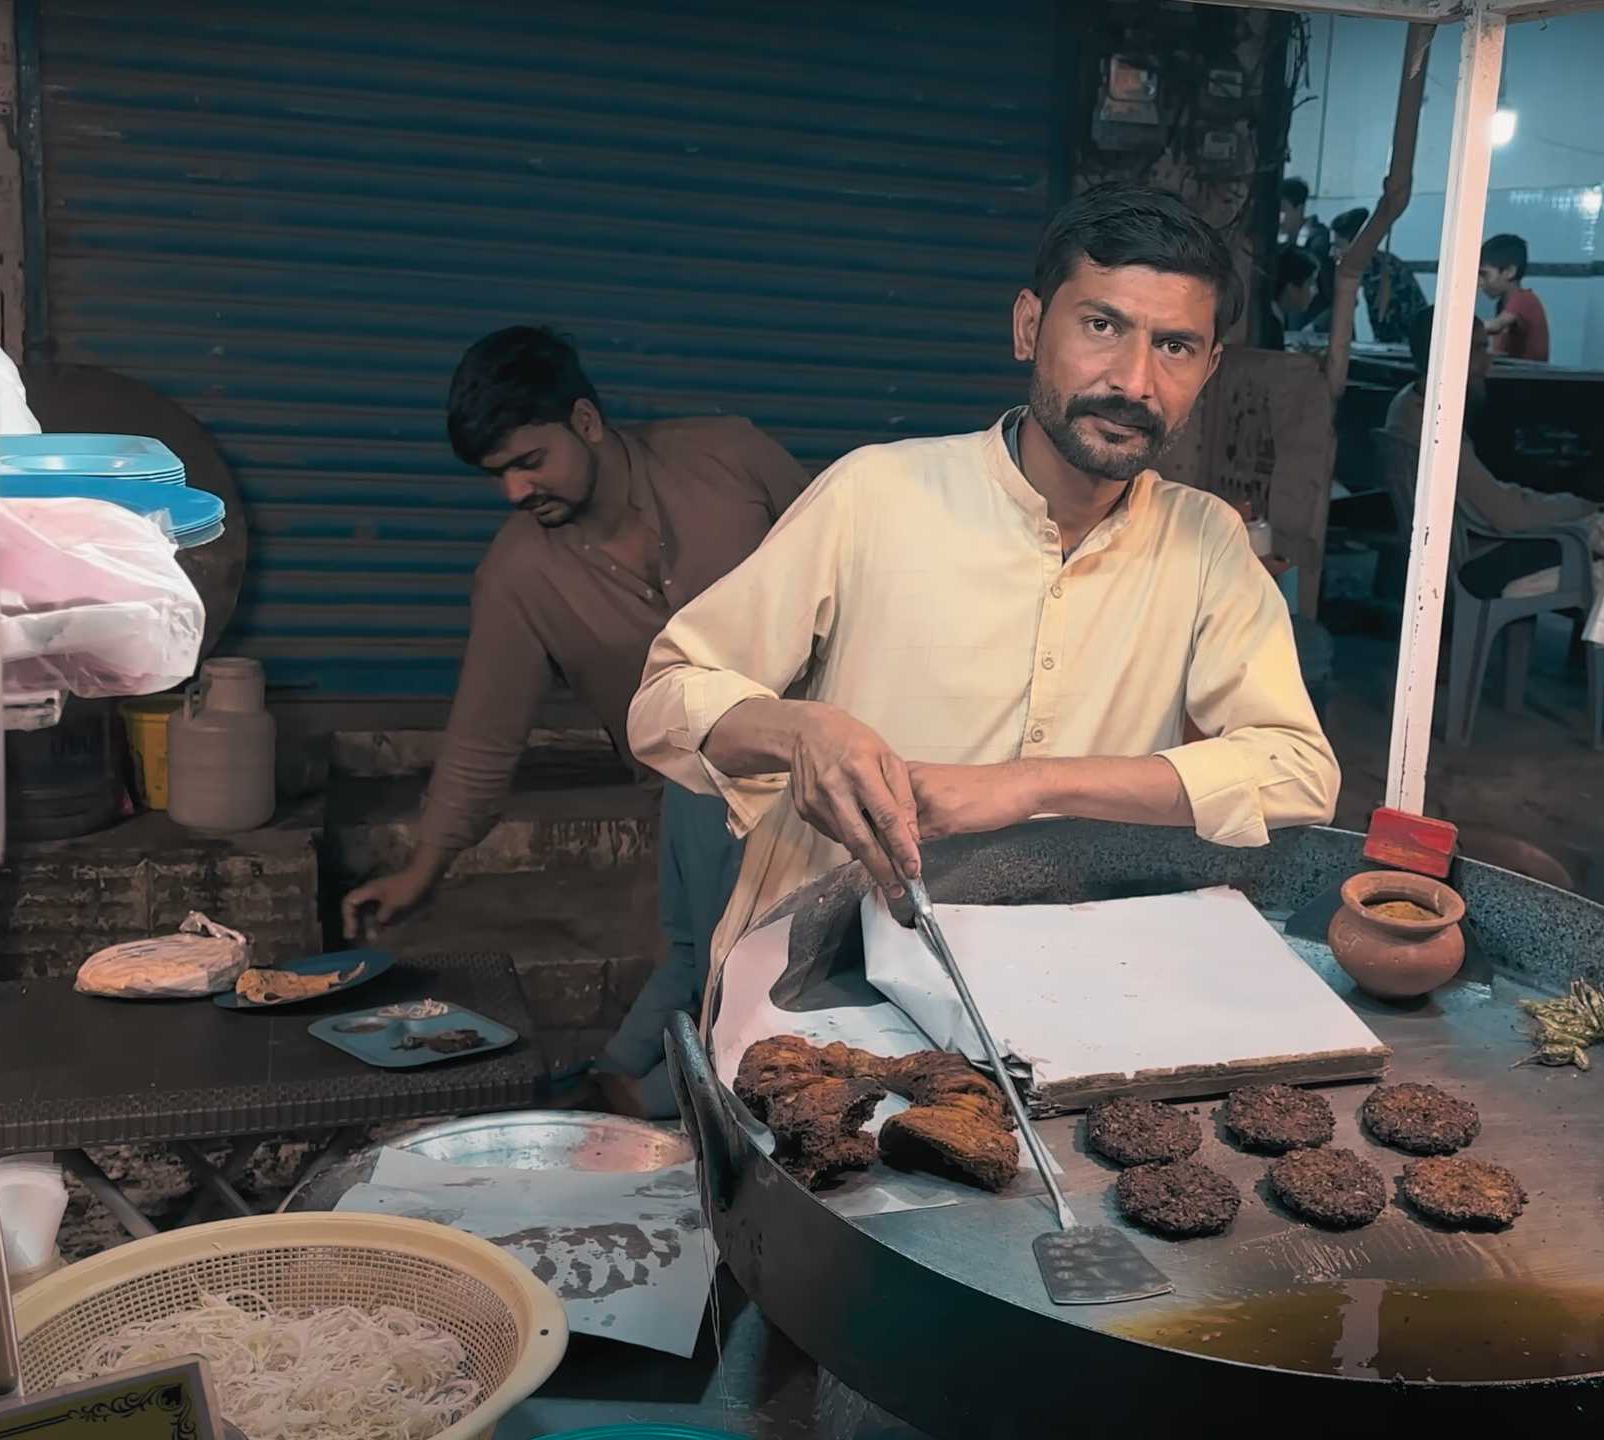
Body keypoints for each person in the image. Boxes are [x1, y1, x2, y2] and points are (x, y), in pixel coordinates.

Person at [628, 184, 1341, 979]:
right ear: (1029, 326)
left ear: (1207, 370)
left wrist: (1031, 786)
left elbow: (1298, 772)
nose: (1135, 381)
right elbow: (665, 696)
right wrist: (799, 731)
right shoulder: (874, 494)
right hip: (826, 969)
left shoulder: (1207, 541)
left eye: (1173, 347)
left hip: (1063, 975)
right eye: (1102, 326)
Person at [340, 326, 810, 1113]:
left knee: (777, 996)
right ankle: (627, 1111)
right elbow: (484, 736)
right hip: (689, 801)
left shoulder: (730, 459)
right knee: (699, 969)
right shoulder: (519, 574)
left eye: (530, 463)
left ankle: (637, 1103)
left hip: (818, 788)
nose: (516, 494)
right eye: (499, 476)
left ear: (586, 421)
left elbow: (858, 572)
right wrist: (423, 869)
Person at [1387, 310, 1595, 538]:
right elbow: (1508, 514)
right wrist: (1581, 507)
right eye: (1479, 349)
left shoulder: (1407, 405)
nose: (1489, 359)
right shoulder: (1434, 424)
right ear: (1448, 353)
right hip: (1476, 556)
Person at [1328, 207, 1430, 345]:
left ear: (1355, 246)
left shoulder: (1384, 274)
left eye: (1338, 246)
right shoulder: (1374, 267)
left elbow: (1390, 337)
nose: (1332, 253)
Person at [1477, 234, 1551, 362]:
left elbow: (1495, 326)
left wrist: (1460, 329)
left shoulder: (1525, 300)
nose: (1480, 282)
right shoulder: (1502, 304)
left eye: (1484, 274)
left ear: (1509, 272)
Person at [1277, 176, 1335, 325]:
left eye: (1283, 209)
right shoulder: (1281, 241)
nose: (1278, 217)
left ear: (1299, 208)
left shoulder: (1319, 240)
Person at [1265, 249, 1320, 350]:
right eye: (1311, 283)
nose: (1316, 291)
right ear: (1292, 289)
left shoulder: (1276, 317)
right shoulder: (1271, 326)